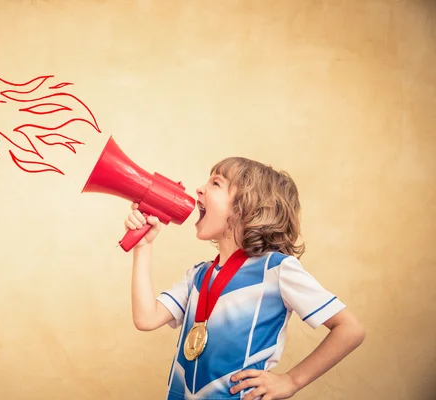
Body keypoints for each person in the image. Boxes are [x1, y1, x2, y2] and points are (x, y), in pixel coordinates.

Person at [124, 157, 366, 400]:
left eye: (216, 183)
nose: (199, 189)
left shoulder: (278, 269)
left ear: (246, 208)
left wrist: (291, 381)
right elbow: (146, 318)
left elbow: (350, 329)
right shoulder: (198, 275)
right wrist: (143, 246)